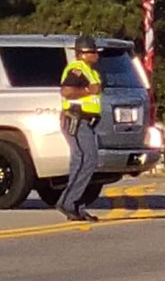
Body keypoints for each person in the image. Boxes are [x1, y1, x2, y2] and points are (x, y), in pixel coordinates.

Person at [57, 35, 104, 222]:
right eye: (93, 52)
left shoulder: (90, 71)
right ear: (82, 54)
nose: (96, 55)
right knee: (87, 160)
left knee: (84, 162)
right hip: (76, 120)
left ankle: (76, 206)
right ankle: (68, 202)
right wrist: (87, 91)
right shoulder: (77, 69)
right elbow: (66, 91)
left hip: (87, 123)